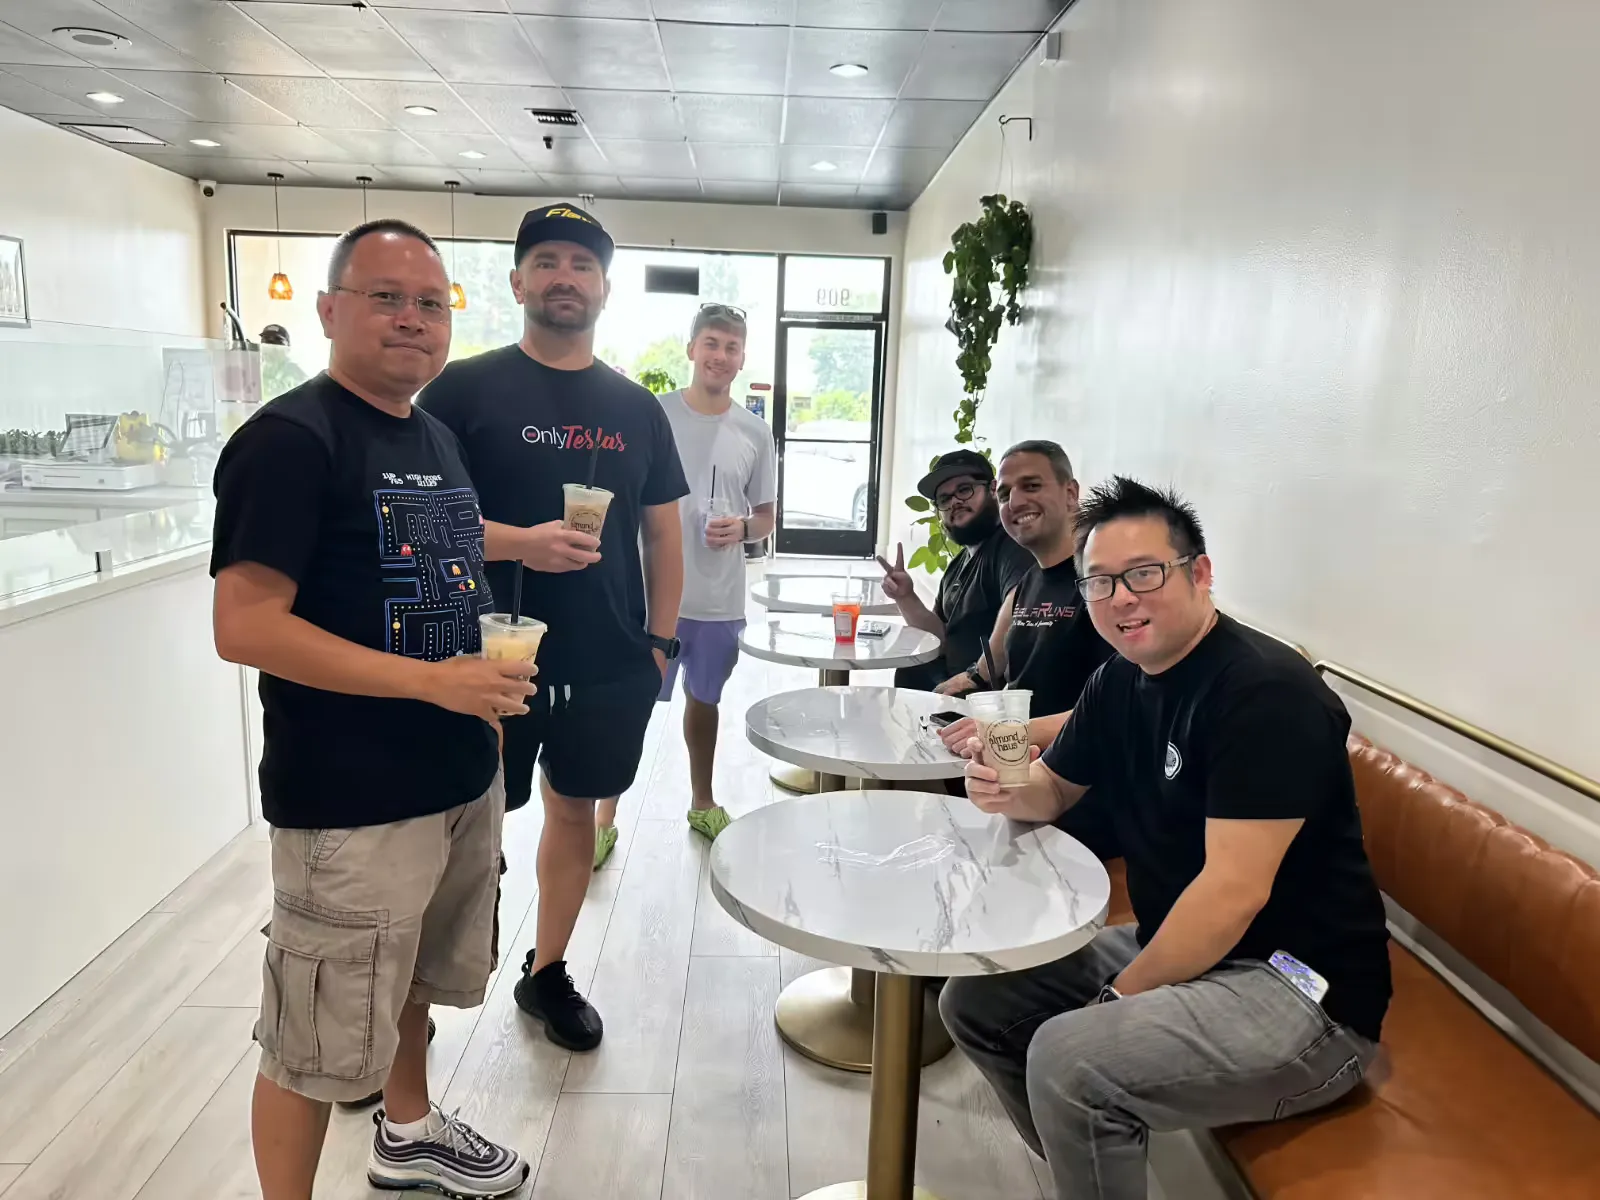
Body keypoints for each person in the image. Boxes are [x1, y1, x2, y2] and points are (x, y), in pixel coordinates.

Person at [943, 476, 1393, 1200]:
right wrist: (1003, 789)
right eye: (1099, 582)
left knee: (1068, 1057)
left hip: (1300, 991)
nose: (1121, 598)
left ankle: (1092, 1131)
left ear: (1201, 573)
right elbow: (1054, 789)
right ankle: (1088, 1163)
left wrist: (1120, 1001)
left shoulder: (1265, 693)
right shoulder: (1122, 679)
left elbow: (1231, 894)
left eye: (1144, 574)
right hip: (1187, 945)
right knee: (975, 1001)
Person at [211, 219, 533, 1200]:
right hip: (348, 803)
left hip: (452, 777)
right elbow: (245, 625)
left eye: (430, 303)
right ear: (328, 310)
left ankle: (408, 1130)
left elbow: (435, 567)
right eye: (385, 297)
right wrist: (435, 683)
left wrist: (474, 667)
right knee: (310, 1040)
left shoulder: (430, 435)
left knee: (415, 986)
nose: (411, 320)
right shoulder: (288, 440)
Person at [417, 202, 687, 1054]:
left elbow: (663, 532)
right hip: (482, 656)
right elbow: (419, 521)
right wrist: (520, 542)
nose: (564, 276)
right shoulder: (462, 389)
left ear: (605, 287)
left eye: (581, 263)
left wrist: (660, 645)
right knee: (460, 829)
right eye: (548, 261)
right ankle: (400, 1019)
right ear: (518, 281)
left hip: (610, 660)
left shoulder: (637, 407)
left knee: (576, 816)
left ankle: (548, 973)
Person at [655, 302, 776, 841]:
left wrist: (744, 529)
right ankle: (601, 817)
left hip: (718, 598)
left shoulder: (755, 432)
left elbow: (767, 517)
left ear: (742, 356)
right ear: (692, 348)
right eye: (711, 343)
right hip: (649, 593)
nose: (720, 356)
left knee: (705, 702)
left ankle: (702, 800)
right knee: (626, 708)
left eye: (731, 347)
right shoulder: (652, 415)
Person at [934, 440, 1113, 753]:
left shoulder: (1104, 583)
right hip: (1017, 766)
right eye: (1004, 494)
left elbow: (1121, 707)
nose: (1015, 502)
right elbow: (1000, 674)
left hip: (1076, 777)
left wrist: (1014, 732)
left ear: (1071, 494)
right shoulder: (1029, 582)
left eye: (1031, 485)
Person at [876, 448, 1032, 692]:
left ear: (993, 489)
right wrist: (905, 597)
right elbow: (938, 638)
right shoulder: (958, 565)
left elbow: (1023, 606)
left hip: (982, 701)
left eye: (964, 490)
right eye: (944, 499)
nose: (955, 502)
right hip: (946, 685)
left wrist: (975, 676)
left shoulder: (1010, 547)